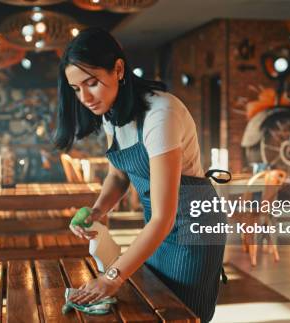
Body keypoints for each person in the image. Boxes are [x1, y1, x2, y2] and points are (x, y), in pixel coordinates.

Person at [55, 27, 226, 322]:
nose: (84, 97)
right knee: (153, 305)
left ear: (118, 69)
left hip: (193, 227)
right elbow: (119, 176)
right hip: (159, 223)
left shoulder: (161, 114)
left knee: (182, 314)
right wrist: (97, 211)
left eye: (91, 83)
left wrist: (111, 278)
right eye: (75, 88)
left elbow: (164, 217)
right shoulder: (112, 113)